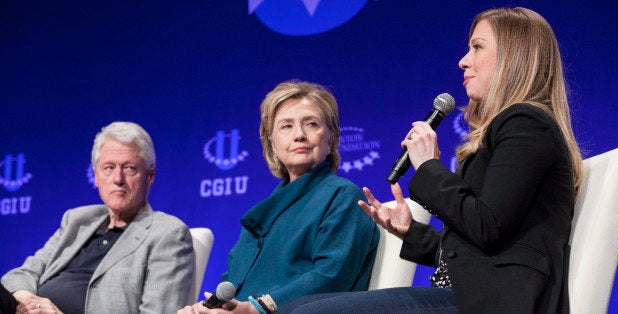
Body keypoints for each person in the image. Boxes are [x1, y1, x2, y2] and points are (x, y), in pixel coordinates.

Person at [278, 7, 583, 314]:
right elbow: (474, 247)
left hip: (496, 302)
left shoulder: (526, 124)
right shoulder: (514, 128)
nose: (463, 61)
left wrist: (427, 166)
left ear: (513, 56)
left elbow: (487, 227)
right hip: (466, 294)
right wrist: (410, 231)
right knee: (292, 310)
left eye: (477, 47)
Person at [178, 80, 380, 314]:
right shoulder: (261, 215)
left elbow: (332, 276)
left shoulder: (342, 196)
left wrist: (255, 309)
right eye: (286, 126)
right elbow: (232, 285)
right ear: (271, 143)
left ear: (332, 137)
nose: (299, 135)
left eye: (311, 124)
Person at [1, 121, 195, 313]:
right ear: (95, 175)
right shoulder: (77, 220)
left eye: (129, 168)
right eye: (109, 168)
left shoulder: (167, 233)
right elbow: (21, 274)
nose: (118, 179)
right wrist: (26, 301)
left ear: (150, 176)